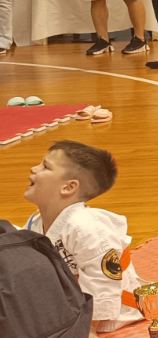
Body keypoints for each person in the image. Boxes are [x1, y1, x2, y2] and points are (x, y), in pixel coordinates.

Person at [21, 141, 144, 333]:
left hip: (112, 314)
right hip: (67, 307)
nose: (34, 168)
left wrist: (88, 328)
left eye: (45, 166)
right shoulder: (34, 222)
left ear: (68, 187)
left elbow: (103, 279)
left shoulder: (87, 226)